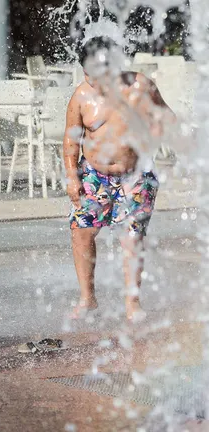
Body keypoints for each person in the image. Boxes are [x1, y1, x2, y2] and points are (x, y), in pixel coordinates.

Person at [63, 37, 176, 321]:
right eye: (86, 74)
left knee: (132, 238)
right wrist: (71, 177)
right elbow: (70, 139)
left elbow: (168, 119)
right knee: (81, 232)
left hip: (136, 174)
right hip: (94, 174)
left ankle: (132, 303)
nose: (91, 81)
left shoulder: (140, 86)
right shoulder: (81, 96)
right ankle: (88, 299)